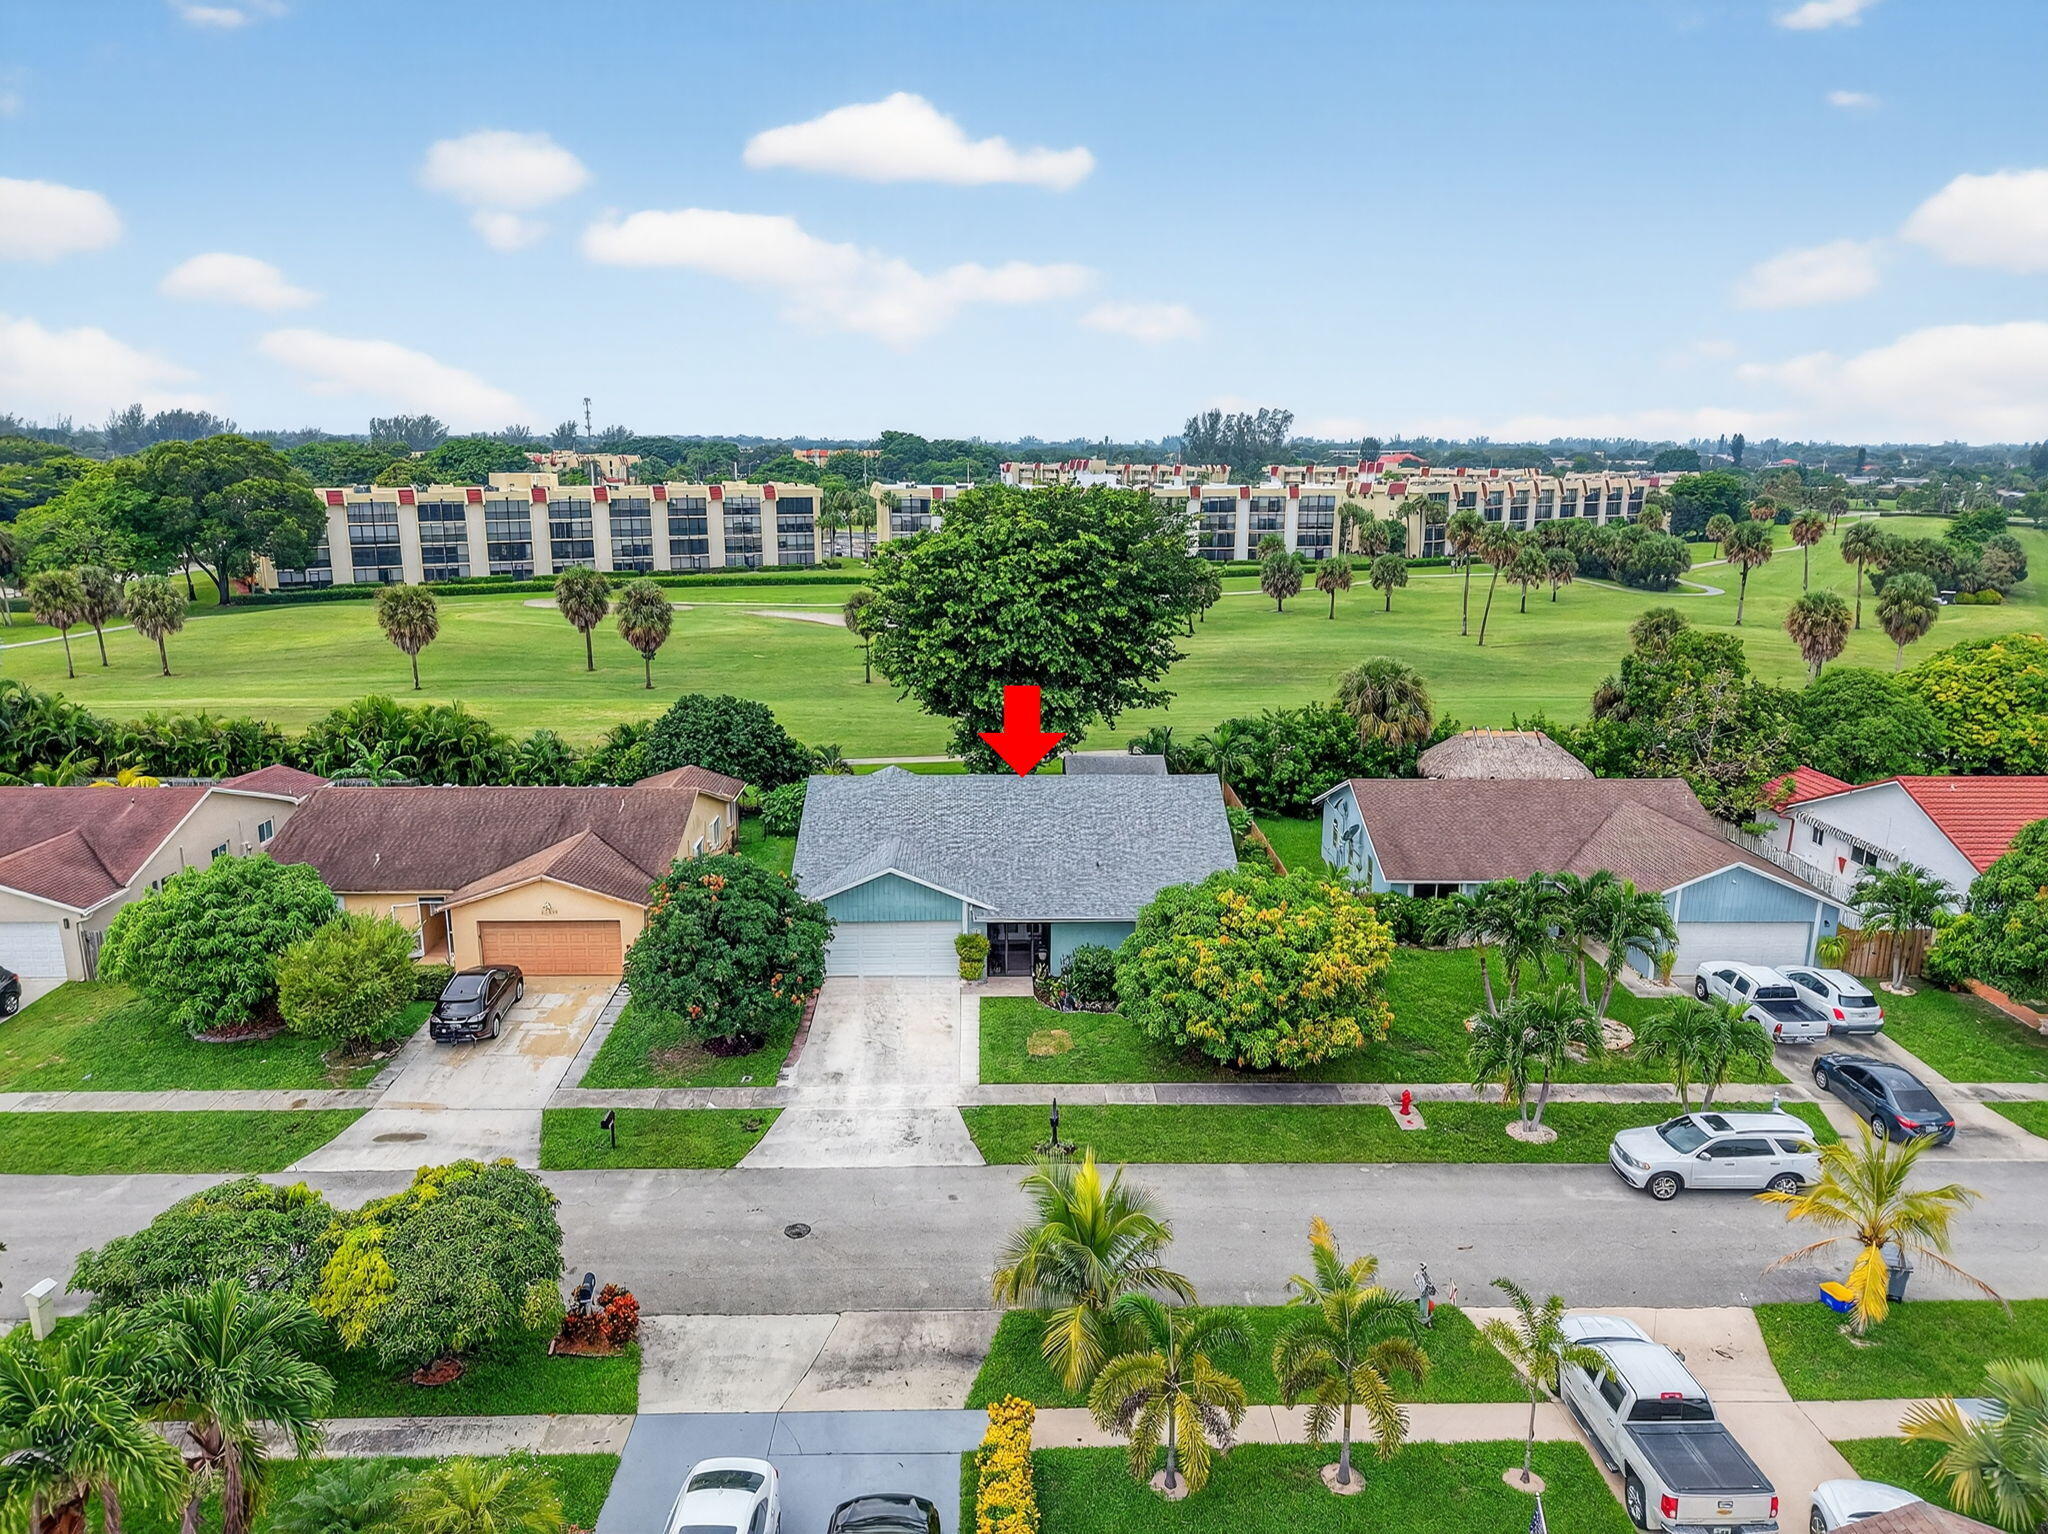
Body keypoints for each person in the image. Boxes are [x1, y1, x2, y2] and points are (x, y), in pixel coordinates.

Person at [1414, 1261, 1437, 1328]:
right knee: (1424, 1305)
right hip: (1424, 1295)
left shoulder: (1426, 1276)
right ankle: (1424, 1321)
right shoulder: (1418, 1275)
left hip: (1425, 1296)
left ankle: (1425, 1321)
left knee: (1426, 1306)